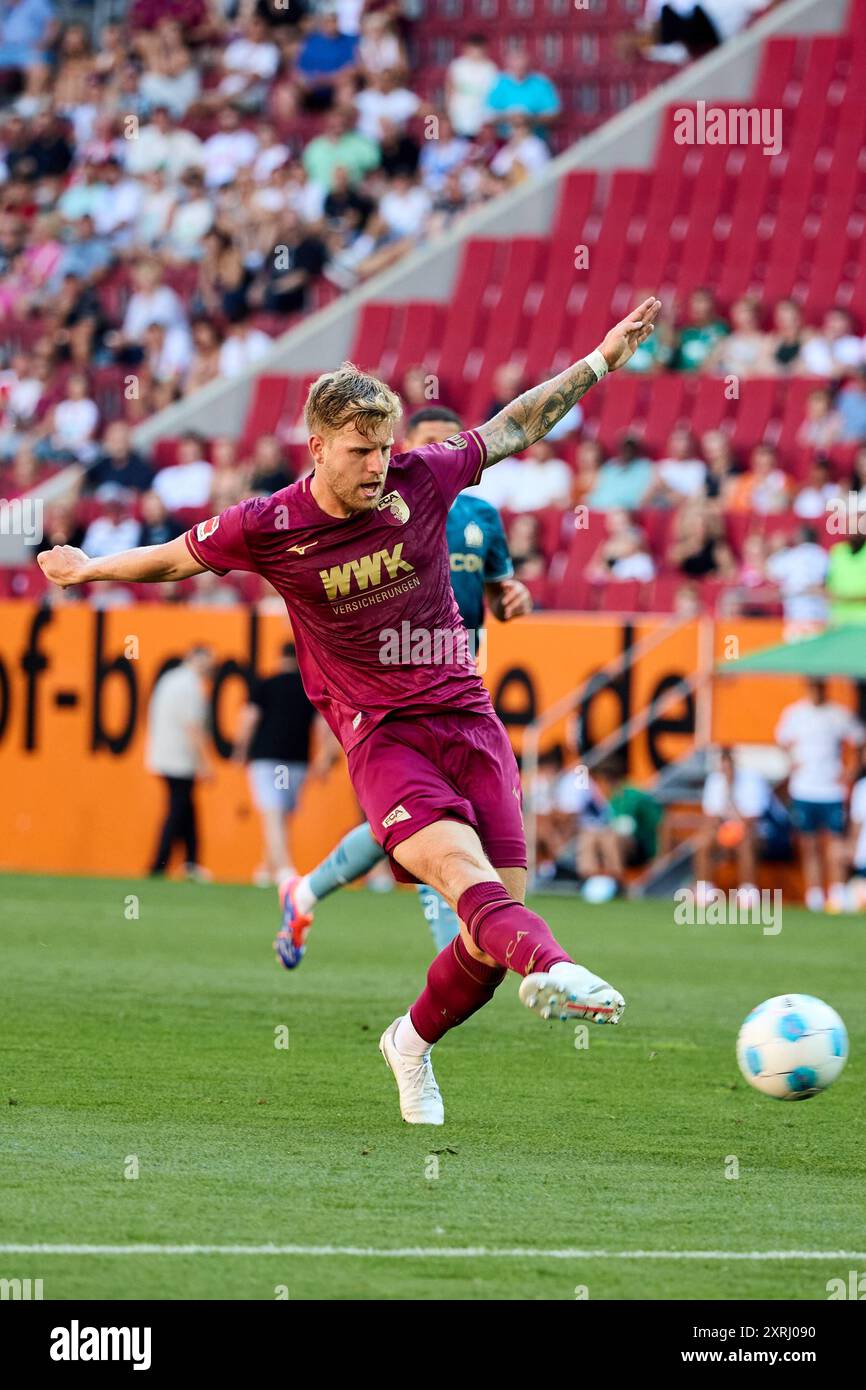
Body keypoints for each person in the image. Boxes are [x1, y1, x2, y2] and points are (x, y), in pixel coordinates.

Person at [37, 294, 661, 1126]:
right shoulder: (270, 525)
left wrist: (599, 361)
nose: (377, 466)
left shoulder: (422, 479)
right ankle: (558, 965)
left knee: (487, 929)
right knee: (467, 881)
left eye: (384, 448)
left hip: (468, 719)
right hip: (383, 737)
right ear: (319, 446)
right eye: (362, 451)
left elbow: (513, 427)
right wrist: (89, 571)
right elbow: (176, 559)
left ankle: (408, 1043)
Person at [275, 404, 532, 957]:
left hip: (461, 685)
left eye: (450, 440)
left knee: (398, 826)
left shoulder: (482, 517)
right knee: (434, 829)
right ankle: (455, 974)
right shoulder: (383, 512)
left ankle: (304, 893)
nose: (442, 450)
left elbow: (500, 594)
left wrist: (514, 598)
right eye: (427, 441)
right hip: (393, 693)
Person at [233, 642, 324, 886]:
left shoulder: (265, 683)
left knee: (273, 814)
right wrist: (322, 759)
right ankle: (266, 870)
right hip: (297, 760)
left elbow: (250, 718)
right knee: (281, 816)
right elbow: (321, 726)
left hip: (266, 758)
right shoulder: (308, 687)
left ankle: (284, 870)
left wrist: (240, 750)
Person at [775, 679, 865, 912]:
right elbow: (782, 741)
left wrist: (850, 772)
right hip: (804, 788)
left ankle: (837, 895)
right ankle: (814, 897)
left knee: (835, 843)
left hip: (831, 790)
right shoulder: (795, 713)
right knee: (809, 844)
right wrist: (792, 763)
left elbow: (858, 740)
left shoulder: (838, 714)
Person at [146, 645, 215, 879]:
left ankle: (191, 862)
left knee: (186, 810)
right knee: (177, 811)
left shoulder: (170, 679)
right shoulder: (190, 686)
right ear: (194, 658)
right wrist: (205, 764)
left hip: (164, 754)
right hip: (180, 758)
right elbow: (192, 728)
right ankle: (158, 865)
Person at [696, 746, 790, 902]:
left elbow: (751, 821)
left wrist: (730, 795)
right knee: (704, 840)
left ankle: (748, 890)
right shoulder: (714, 781)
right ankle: (705, 889)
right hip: (730, 831)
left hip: (768, 832)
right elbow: (711, 818)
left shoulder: (752, 780)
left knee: (745, 839)